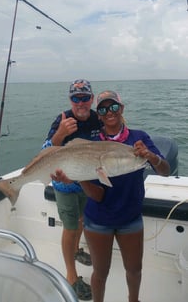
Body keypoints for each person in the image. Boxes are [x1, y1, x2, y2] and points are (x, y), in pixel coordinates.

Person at [51, 90, 170, 302]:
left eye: (114, 107)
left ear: (121, 109)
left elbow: (165, 171)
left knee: (134, 270)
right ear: (99, 114)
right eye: (103, 109)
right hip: (98, 220)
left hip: (131, 217)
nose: (109, 112)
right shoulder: (93, 142)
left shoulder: (139, 138)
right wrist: (80, 177)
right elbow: (97, 196)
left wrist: (150, 156)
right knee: (100, 273)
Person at [42, 79, 102, 301]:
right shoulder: (63, 119)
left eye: (85, 97)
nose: (81, 103)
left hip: (88, 182)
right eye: (76, 98)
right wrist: (59, 134)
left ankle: (77, 250)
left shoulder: (98, 118)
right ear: (70, 100)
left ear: (92, 99)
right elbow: (45, 152)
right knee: (70, 226)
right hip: (64, 184)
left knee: (82, 220)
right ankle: (71, 276)